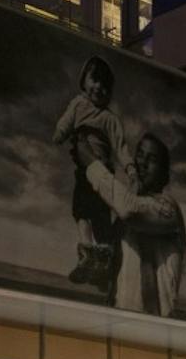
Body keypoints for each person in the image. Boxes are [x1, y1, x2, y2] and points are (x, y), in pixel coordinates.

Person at [75, 130, 186, 316]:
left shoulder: (168, 209)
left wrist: (92, 164)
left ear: (163, 172)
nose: (141, 163)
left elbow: (129, 208)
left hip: (154, 329)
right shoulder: (124, 224)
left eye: (151, 159)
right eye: (140, 155)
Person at [53, 55, 134, 288]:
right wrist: (60, 133)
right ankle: (87, 252)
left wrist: (129, 167)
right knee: (80, 212)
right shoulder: (77, 105)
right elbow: (65, 123)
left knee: (100, 217)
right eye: (95, 80)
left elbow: (121, 147)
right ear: (84, 81)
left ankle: (105, 259)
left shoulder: (109, 119)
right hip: (83, 172)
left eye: (105, 85)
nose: (99, 87)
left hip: (103, 175)